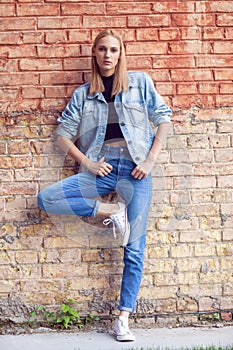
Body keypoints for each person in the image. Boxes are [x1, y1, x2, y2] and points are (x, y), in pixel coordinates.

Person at [38, 29, 172, 342]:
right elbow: (62, 135)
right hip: (102, 169)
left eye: (113, 49)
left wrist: (150, 160)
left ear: (120, 53)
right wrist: (89, 164)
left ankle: (123, 318)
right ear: (94, 55)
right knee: (47, 198)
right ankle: (111, 210)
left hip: (137, 170)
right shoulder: (83, 94)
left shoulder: (139, 83)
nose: (107, 55)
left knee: (135, 247)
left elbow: (164, 118)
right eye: (102, 50)